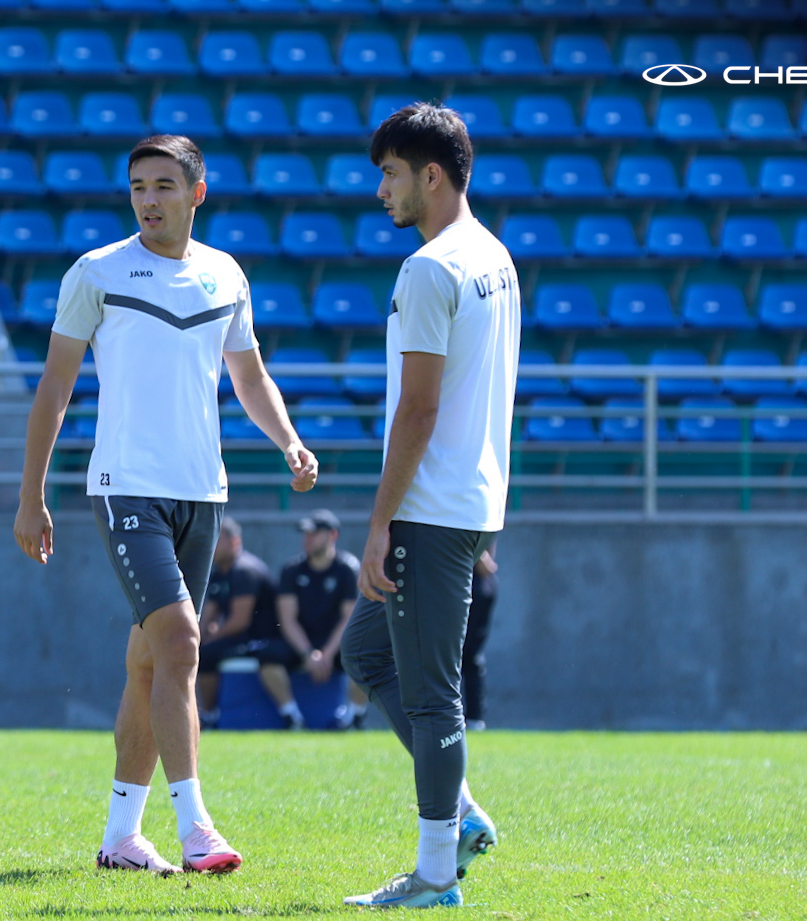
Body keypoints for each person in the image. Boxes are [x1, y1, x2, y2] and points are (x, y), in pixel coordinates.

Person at [12, 134, 318, 876]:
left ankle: (121, 836)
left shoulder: (225, 275)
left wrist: (288, 440)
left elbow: (248, 377)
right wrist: (31, 496)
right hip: (124, 488)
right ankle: (196, 828)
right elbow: (54, 388)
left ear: (196, 191)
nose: (148, 200)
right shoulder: (96, 272)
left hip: (201, 492)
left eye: (162, 186)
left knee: (149, 663)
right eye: (137, 187)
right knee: (182, 640)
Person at [340, 103, 521, 909]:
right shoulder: (494, 256)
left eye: (390, 173)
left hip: (430, 507)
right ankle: (465, 816)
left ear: (431, 175)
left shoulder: (428, 268)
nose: (382, 189)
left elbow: (418, 410)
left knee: (429, 692)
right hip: (467, 502)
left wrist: (378, 523)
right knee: (365, 653)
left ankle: (435, 873)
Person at [266, 509, 365, 731]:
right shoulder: (291, 570)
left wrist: (327, 654)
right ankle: (292, 717)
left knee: (366, 655)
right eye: (305, 534)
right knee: (267, 656)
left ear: (332, 535)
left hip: (336, 642)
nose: (307, 539)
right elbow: (287, 620)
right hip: (302, 642)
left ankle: (354, 717)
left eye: (314, 533)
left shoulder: (348, 569)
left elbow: (349, 618)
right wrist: (308, 653)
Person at [195, 518, 281, 729]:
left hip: (259, 639)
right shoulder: (218, 572)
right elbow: (208, 616)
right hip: (238, 638)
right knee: (194, 650)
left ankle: (208, 713)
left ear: (234, 542)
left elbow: (239, 622)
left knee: (206, 654)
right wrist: (199, 636)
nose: (211, 546)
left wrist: (210, 639)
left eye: (217, 540)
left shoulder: (245, 570)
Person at [460, 546, 498, 732]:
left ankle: (474, 718)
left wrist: (478, 553)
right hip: (463, 585)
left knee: (469, 654)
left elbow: (487, 566)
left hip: (476, 586)